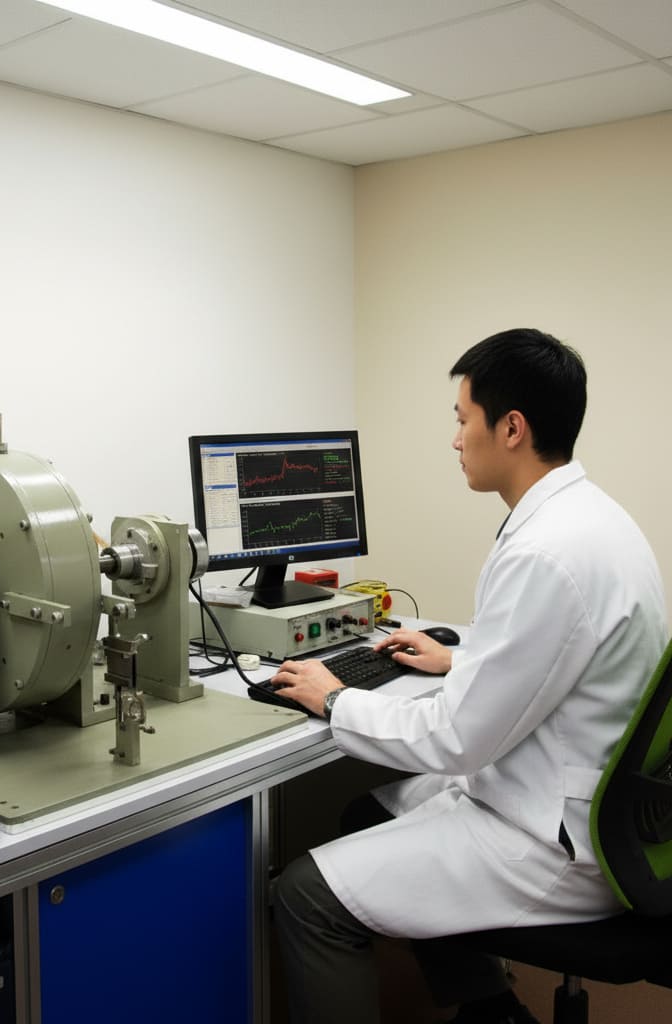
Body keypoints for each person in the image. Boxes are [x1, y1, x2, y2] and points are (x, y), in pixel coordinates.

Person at [269, 328, 668, 1024]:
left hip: (553, 842)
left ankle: (483, 999)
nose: (455, 439)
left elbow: (456, 738)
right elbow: (562, 646)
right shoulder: (593, 519)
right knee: (371, 809)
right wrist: (463, 657)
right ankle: (489, 1007)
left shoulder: (548, 551)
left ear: (511, 428)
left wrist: (336, 701)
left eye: (462, 420)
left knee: (303, 896)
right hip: (594, 807)